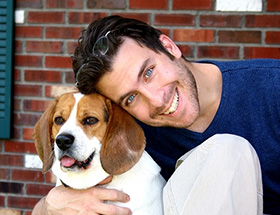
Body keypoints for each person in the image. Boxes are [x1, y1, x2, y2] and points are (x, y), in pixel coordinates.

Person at [32, 15, 280, 215]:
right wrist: (48, 207)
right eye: (130, 97)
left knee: (227, 150)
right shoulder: (131, 131)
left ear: (169, 46)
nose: (157, 100)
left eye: (148, 72)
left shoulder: (272, 87)